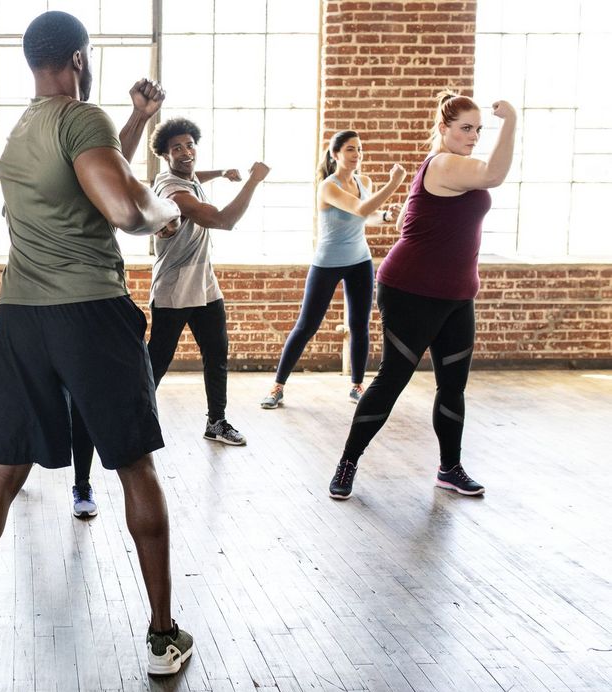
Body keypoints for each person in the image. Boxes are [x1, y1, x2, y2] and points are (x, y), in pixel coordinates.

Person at [0, 11, 194, 683]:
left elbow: (90, 173)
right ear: (76, 57)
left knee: (3, 473)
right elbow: (124, 210)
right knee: (134, 467)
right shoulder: (80, 116)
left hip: (22, 317)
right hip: (89, 313)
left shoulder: (25, 128)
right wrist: (167, 205)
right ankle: (162, 635)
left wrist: (133, 123)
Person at [328, 92, 517, 500]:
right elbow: (494, 176)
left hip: (457, 294)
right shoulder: (445, 163)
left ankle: (450, 468)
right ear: (443, 129)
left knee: (453, 386)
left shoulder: (452, 166)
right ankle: (347, 463)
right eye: (465, 128)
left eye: (478, 129)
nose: (473, 136)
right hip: (410, 290)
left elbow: (403, 218)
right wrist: (512, 120)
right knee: (393, 380)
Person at [69, 77, 167, 520]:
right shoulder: (73, 124)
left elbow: (113, 165)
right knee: (67, 409)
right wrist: (167, 210)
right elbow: (130, 209)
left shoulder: (82, 144)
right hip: (78, 306)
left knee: (82, 406)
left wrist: (140, 116)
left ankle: (81, 482)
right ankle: (73, 480)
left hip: (82, 303)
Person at [144, 117, 269, 446]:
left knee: (216, 353)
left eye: (189, 145)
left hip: (204, 284)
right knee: (157, 360)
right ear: (165, 154)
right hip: (175, 287)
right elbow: (222, 220)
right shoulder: (173, 190)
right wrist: (253, 181)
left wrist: (222, 172)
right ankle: (132, 419)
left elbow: (196, 176)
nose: (186, 152)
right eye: (176, 148)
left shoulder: (180, 176)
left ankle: (217, 421)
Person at [260, 130, 406, 409]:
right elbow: (361, 209)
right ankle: (277, 387)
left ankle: (357, 386)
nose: (357, 155)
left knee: (360, 326)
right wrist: (394, 184)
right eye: (350, 149)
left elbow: (367, 217)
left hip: (360, 261)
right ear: (335, 154)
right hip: (327, 263)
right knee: (307, 325)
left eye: (359, 149)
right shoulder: (328, 186)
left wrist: (387, 216)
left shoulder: (364, 181)